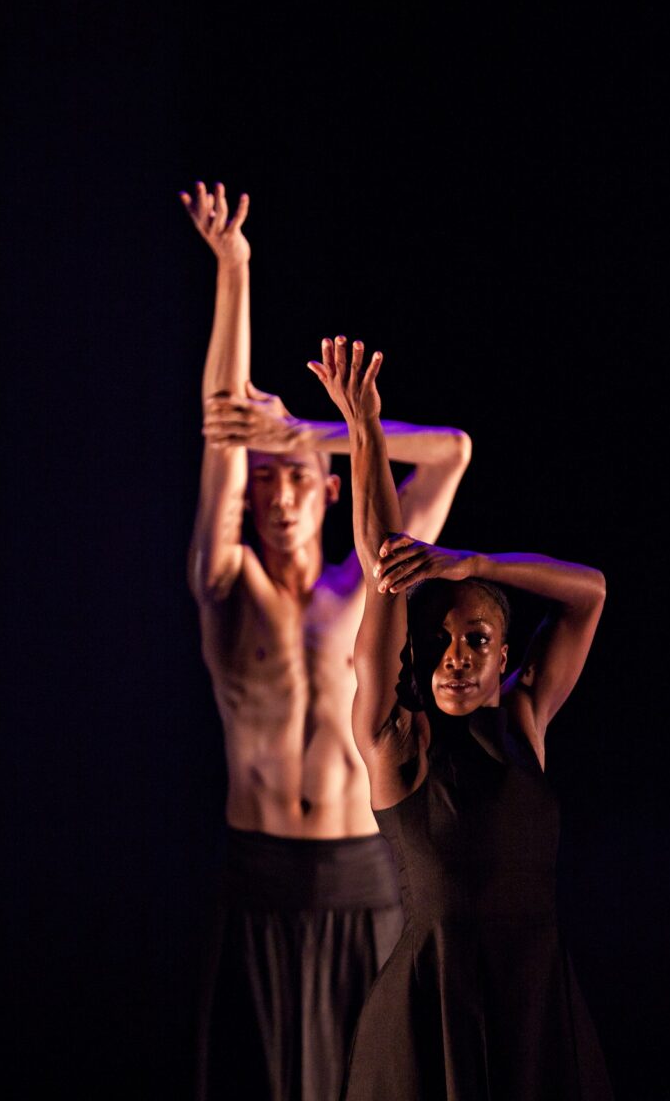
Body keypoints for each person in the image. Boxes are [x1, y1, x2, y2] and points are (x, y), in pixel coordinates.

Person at [179, 183, 472, 1101]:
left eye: (299, 478)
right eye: (264, 480)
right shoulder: (230, 589)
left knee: (372, 1082)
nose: (282, 491)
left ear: (333, 488)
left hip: (360, 871)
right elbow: (223, 422)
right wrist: (236, 269)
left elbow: (452, 451)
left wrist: (304, 430)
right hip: (260, 873)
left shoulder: (364, 585)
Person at [309, 337, 614, 1100]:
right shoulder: (395, 741)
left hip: (537, 1011)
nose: (453, 657)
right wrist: (367, 432)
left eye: (475, 640)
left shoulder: (523, 718)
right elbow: (383, 566)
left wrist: (471, 564)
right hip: (429, 1023)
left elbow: (590, 593)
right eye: (440, 641)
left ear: (505, 651)